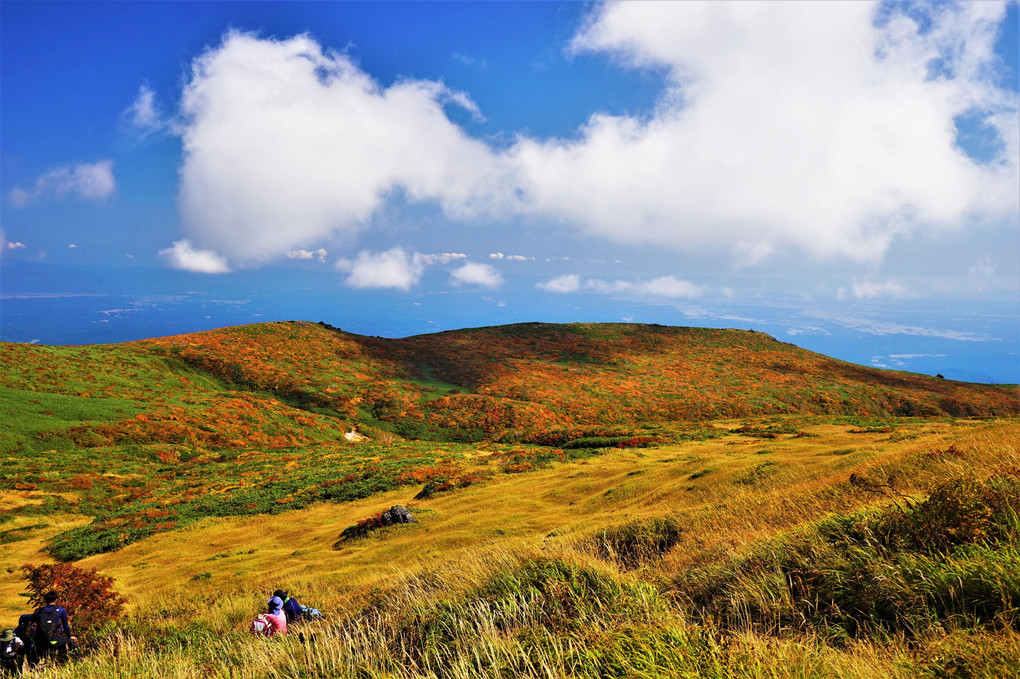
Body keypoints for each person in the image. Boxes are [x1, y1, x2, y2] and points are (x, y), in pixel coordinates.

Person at [32, 591, 77, 664]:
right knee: (71, 643)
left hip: (40, 642)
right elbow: (65, 625)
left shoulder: (39, 611)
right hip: (53, 640)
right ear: (56, 599)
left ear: (45, 600)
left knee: (35, 659)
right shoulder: (61, 610)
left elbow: (30, 622)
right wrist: (69, 636)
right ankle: (64, 662)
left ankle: (33, 669)